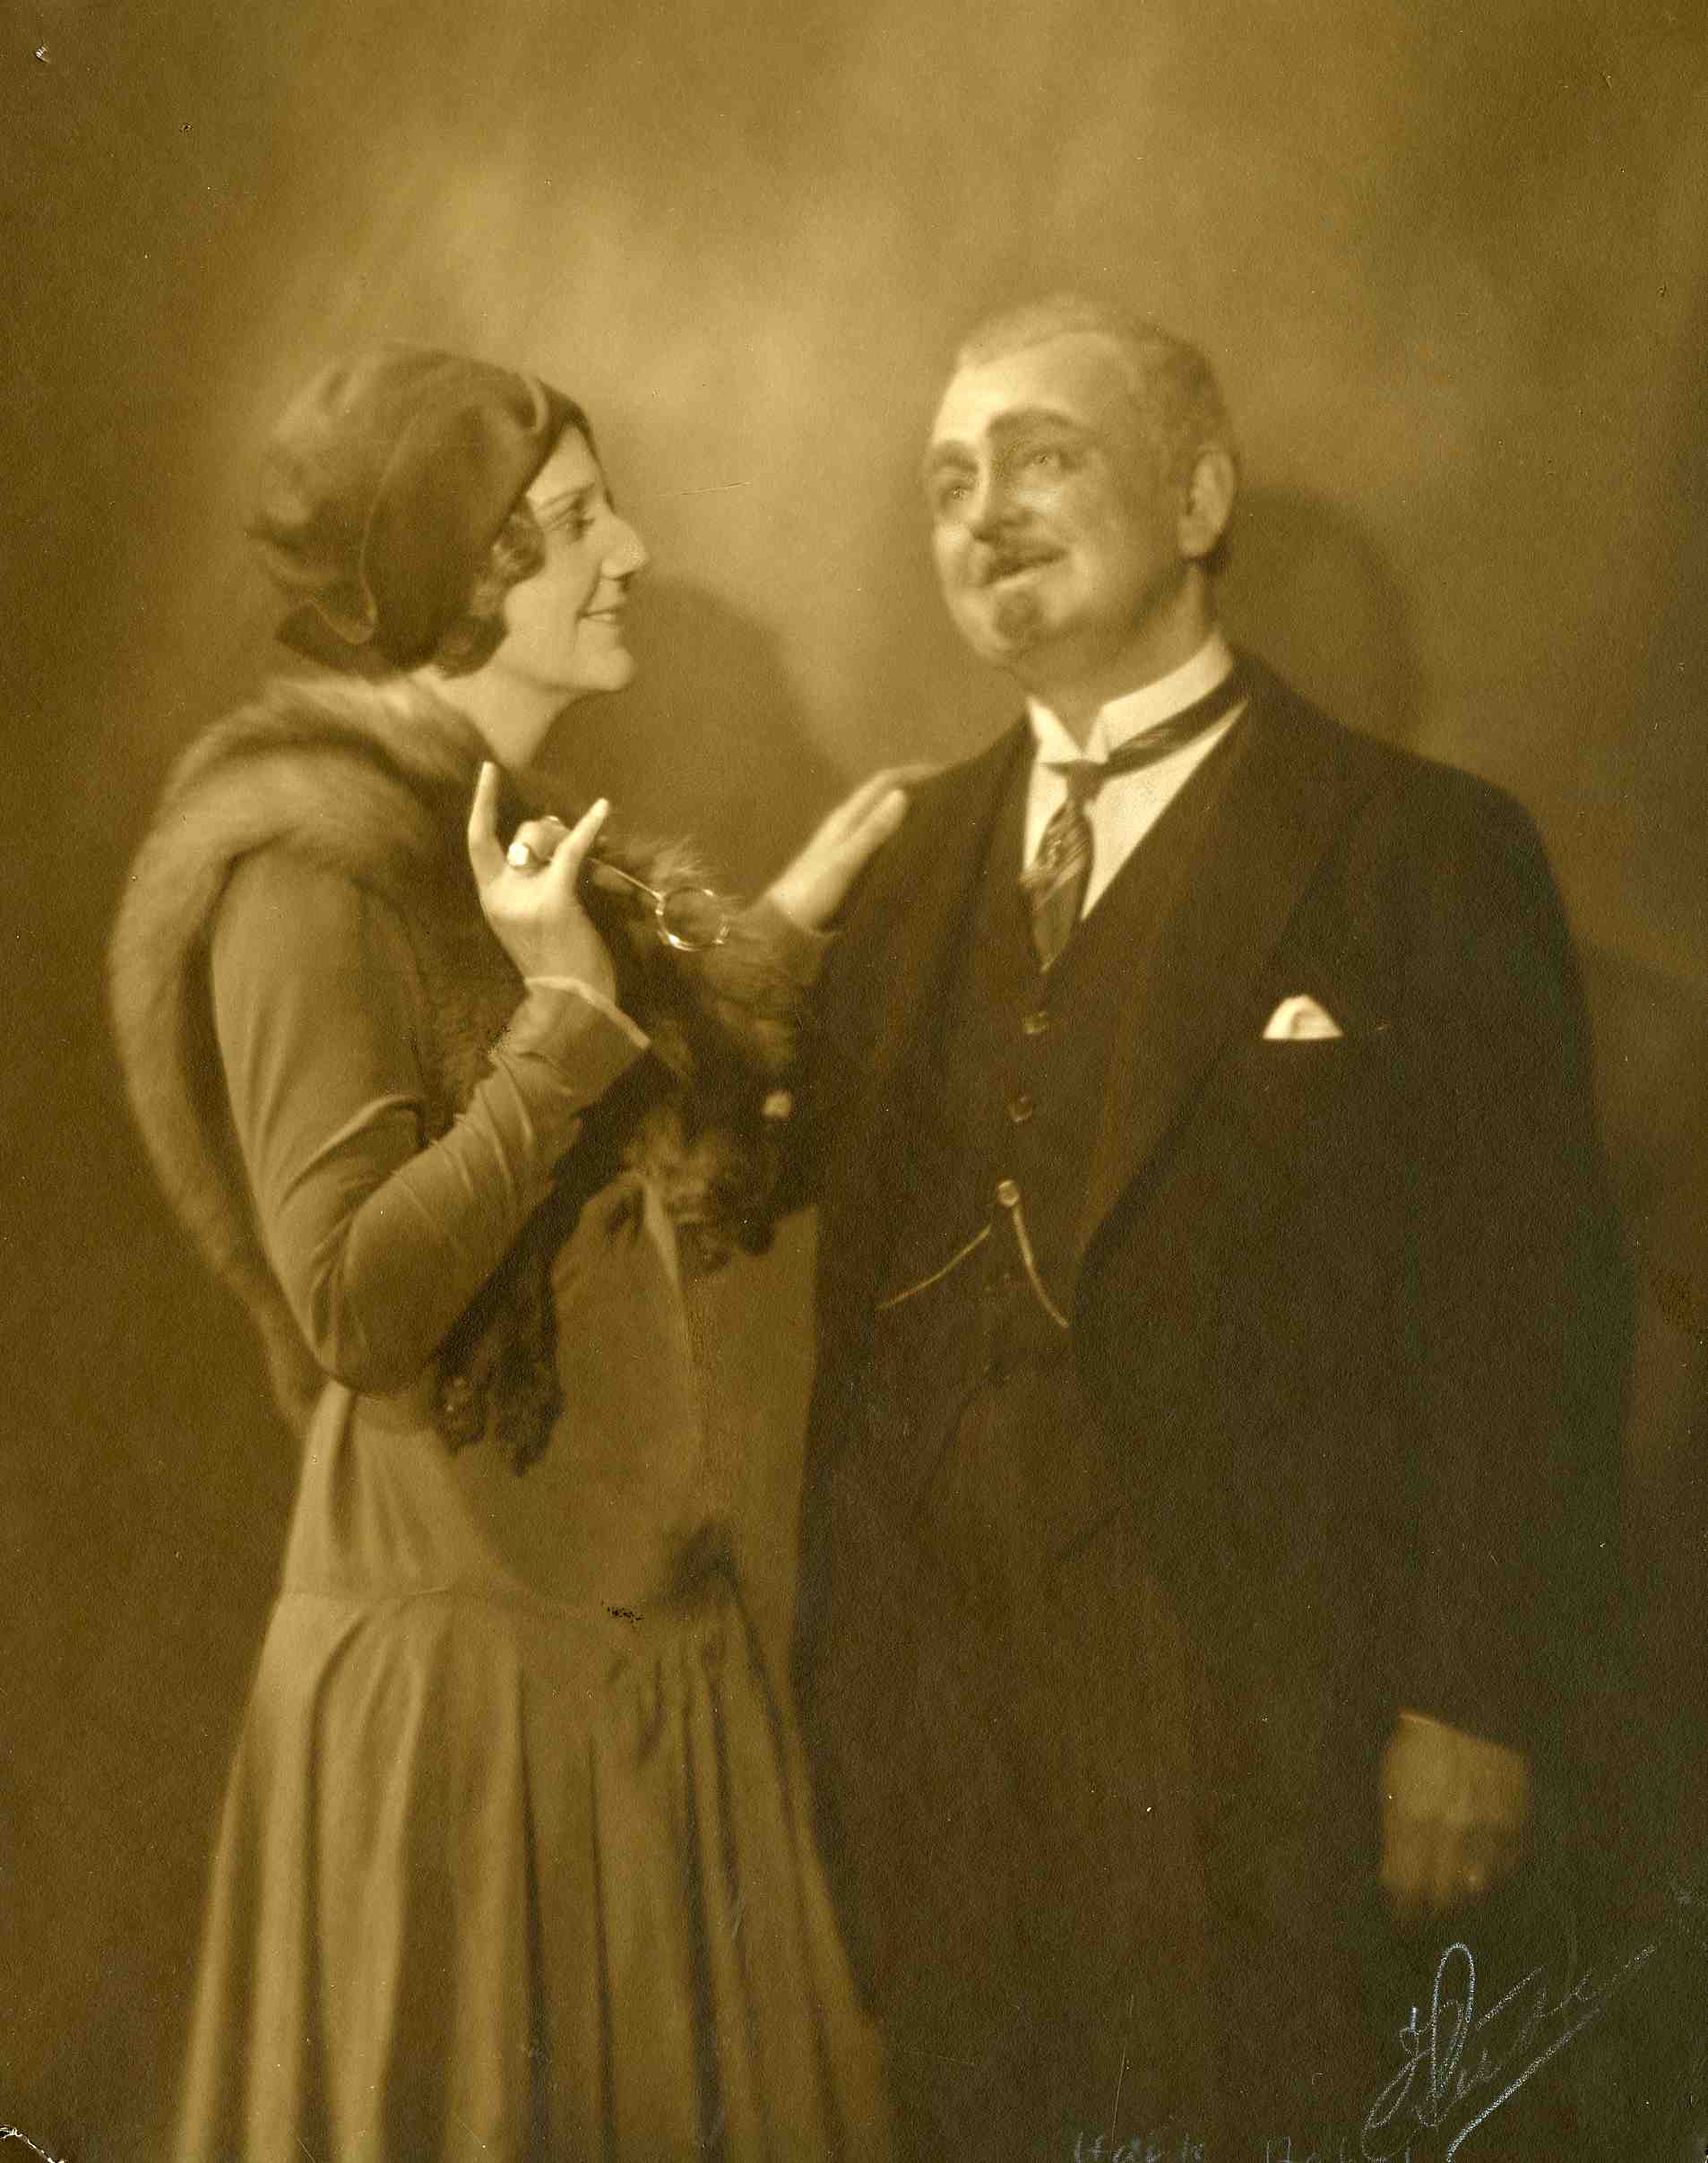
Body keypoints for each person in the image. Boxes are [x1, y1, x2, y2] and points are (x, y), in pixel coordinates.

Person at [783, 296, 1631, 2157]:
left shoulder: (1419, 849)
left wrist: (1470, 1698)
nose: (984, 510)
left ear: (1196, 499)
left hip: (1271, 1724)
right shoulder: (898, 867)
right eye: (948, 481)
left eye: (1041, 457)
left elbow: (1529, 1314)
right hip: (936, 1734)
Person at [108, 344, 906, 2162]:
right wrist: (560, 1025)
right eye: (569, 522)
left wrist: (764, 949)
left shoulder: (516, 834)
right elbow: (354, 1301)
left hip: (617, 1646)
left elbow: (634, 1168)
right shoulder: (308, 869)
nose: (629, 552)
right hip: (471, 1698)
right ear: (456, 576)